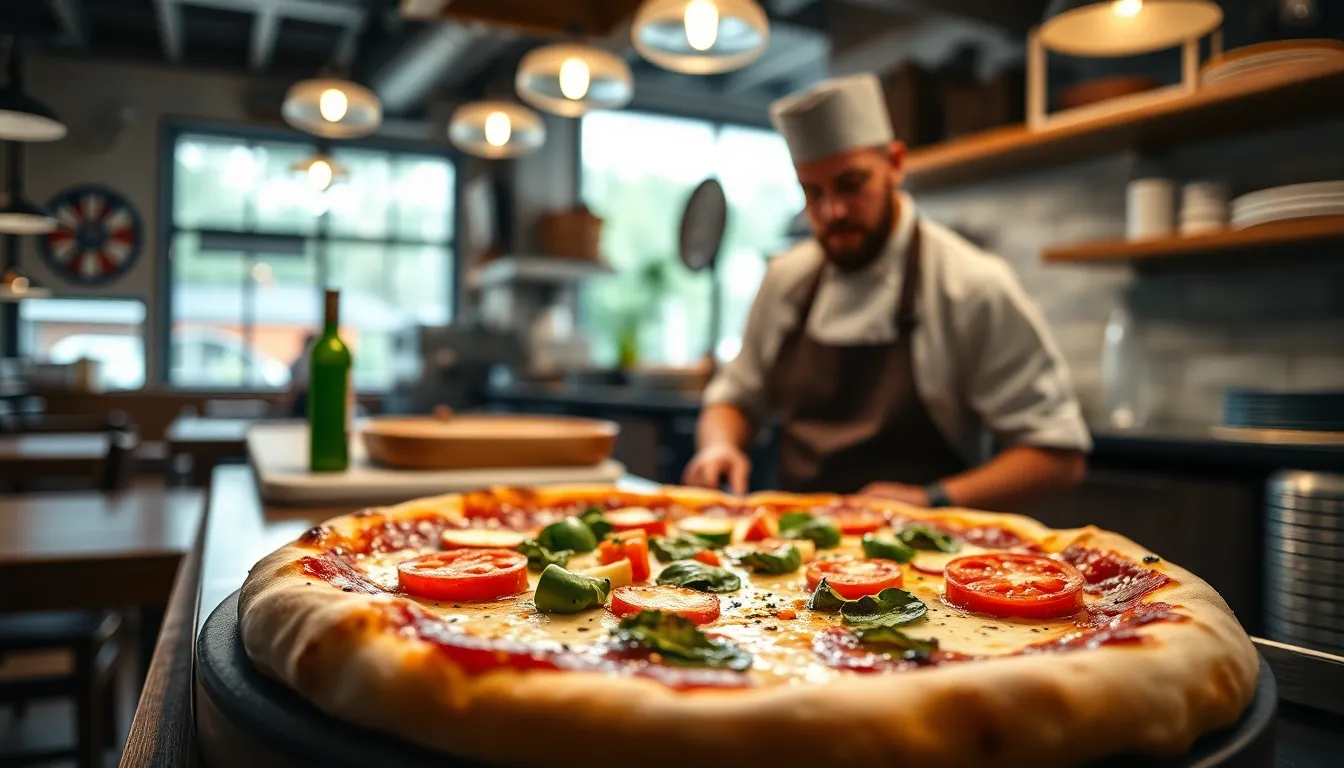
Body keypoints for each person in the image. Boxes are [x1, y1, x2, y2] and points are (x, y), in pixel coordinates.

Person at [683, 73, 1089, 510]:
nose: (831, 211)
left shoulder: (972, 285)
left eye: (851, 184)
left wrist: (930, 499)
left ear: (895, 163)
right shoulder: (786, 280)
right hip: (791, 554)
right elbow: (735, 399)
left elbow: (1057, 455)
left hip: (926, 555)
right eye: (812, 192)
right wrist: (718, 447)